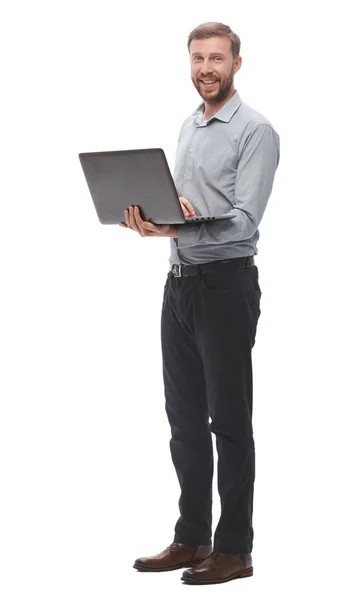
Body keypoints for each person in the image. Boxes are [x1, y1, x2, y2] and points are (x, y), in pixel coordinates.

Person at [120, 21, 280, 585]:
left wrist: (174, 230)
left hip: (226, 288)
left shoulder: (256, 131)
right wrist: (151, 216)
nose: (205, 69)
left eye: (216, 58)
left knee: (229, 420)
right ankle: (192, 536)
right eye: (197, 59)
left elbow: (244, 221)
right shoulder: (189, 126)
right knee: (183, 419)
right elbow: (184, 207)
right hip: (180, 286)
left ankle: (235, 549)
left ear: (237, 63)